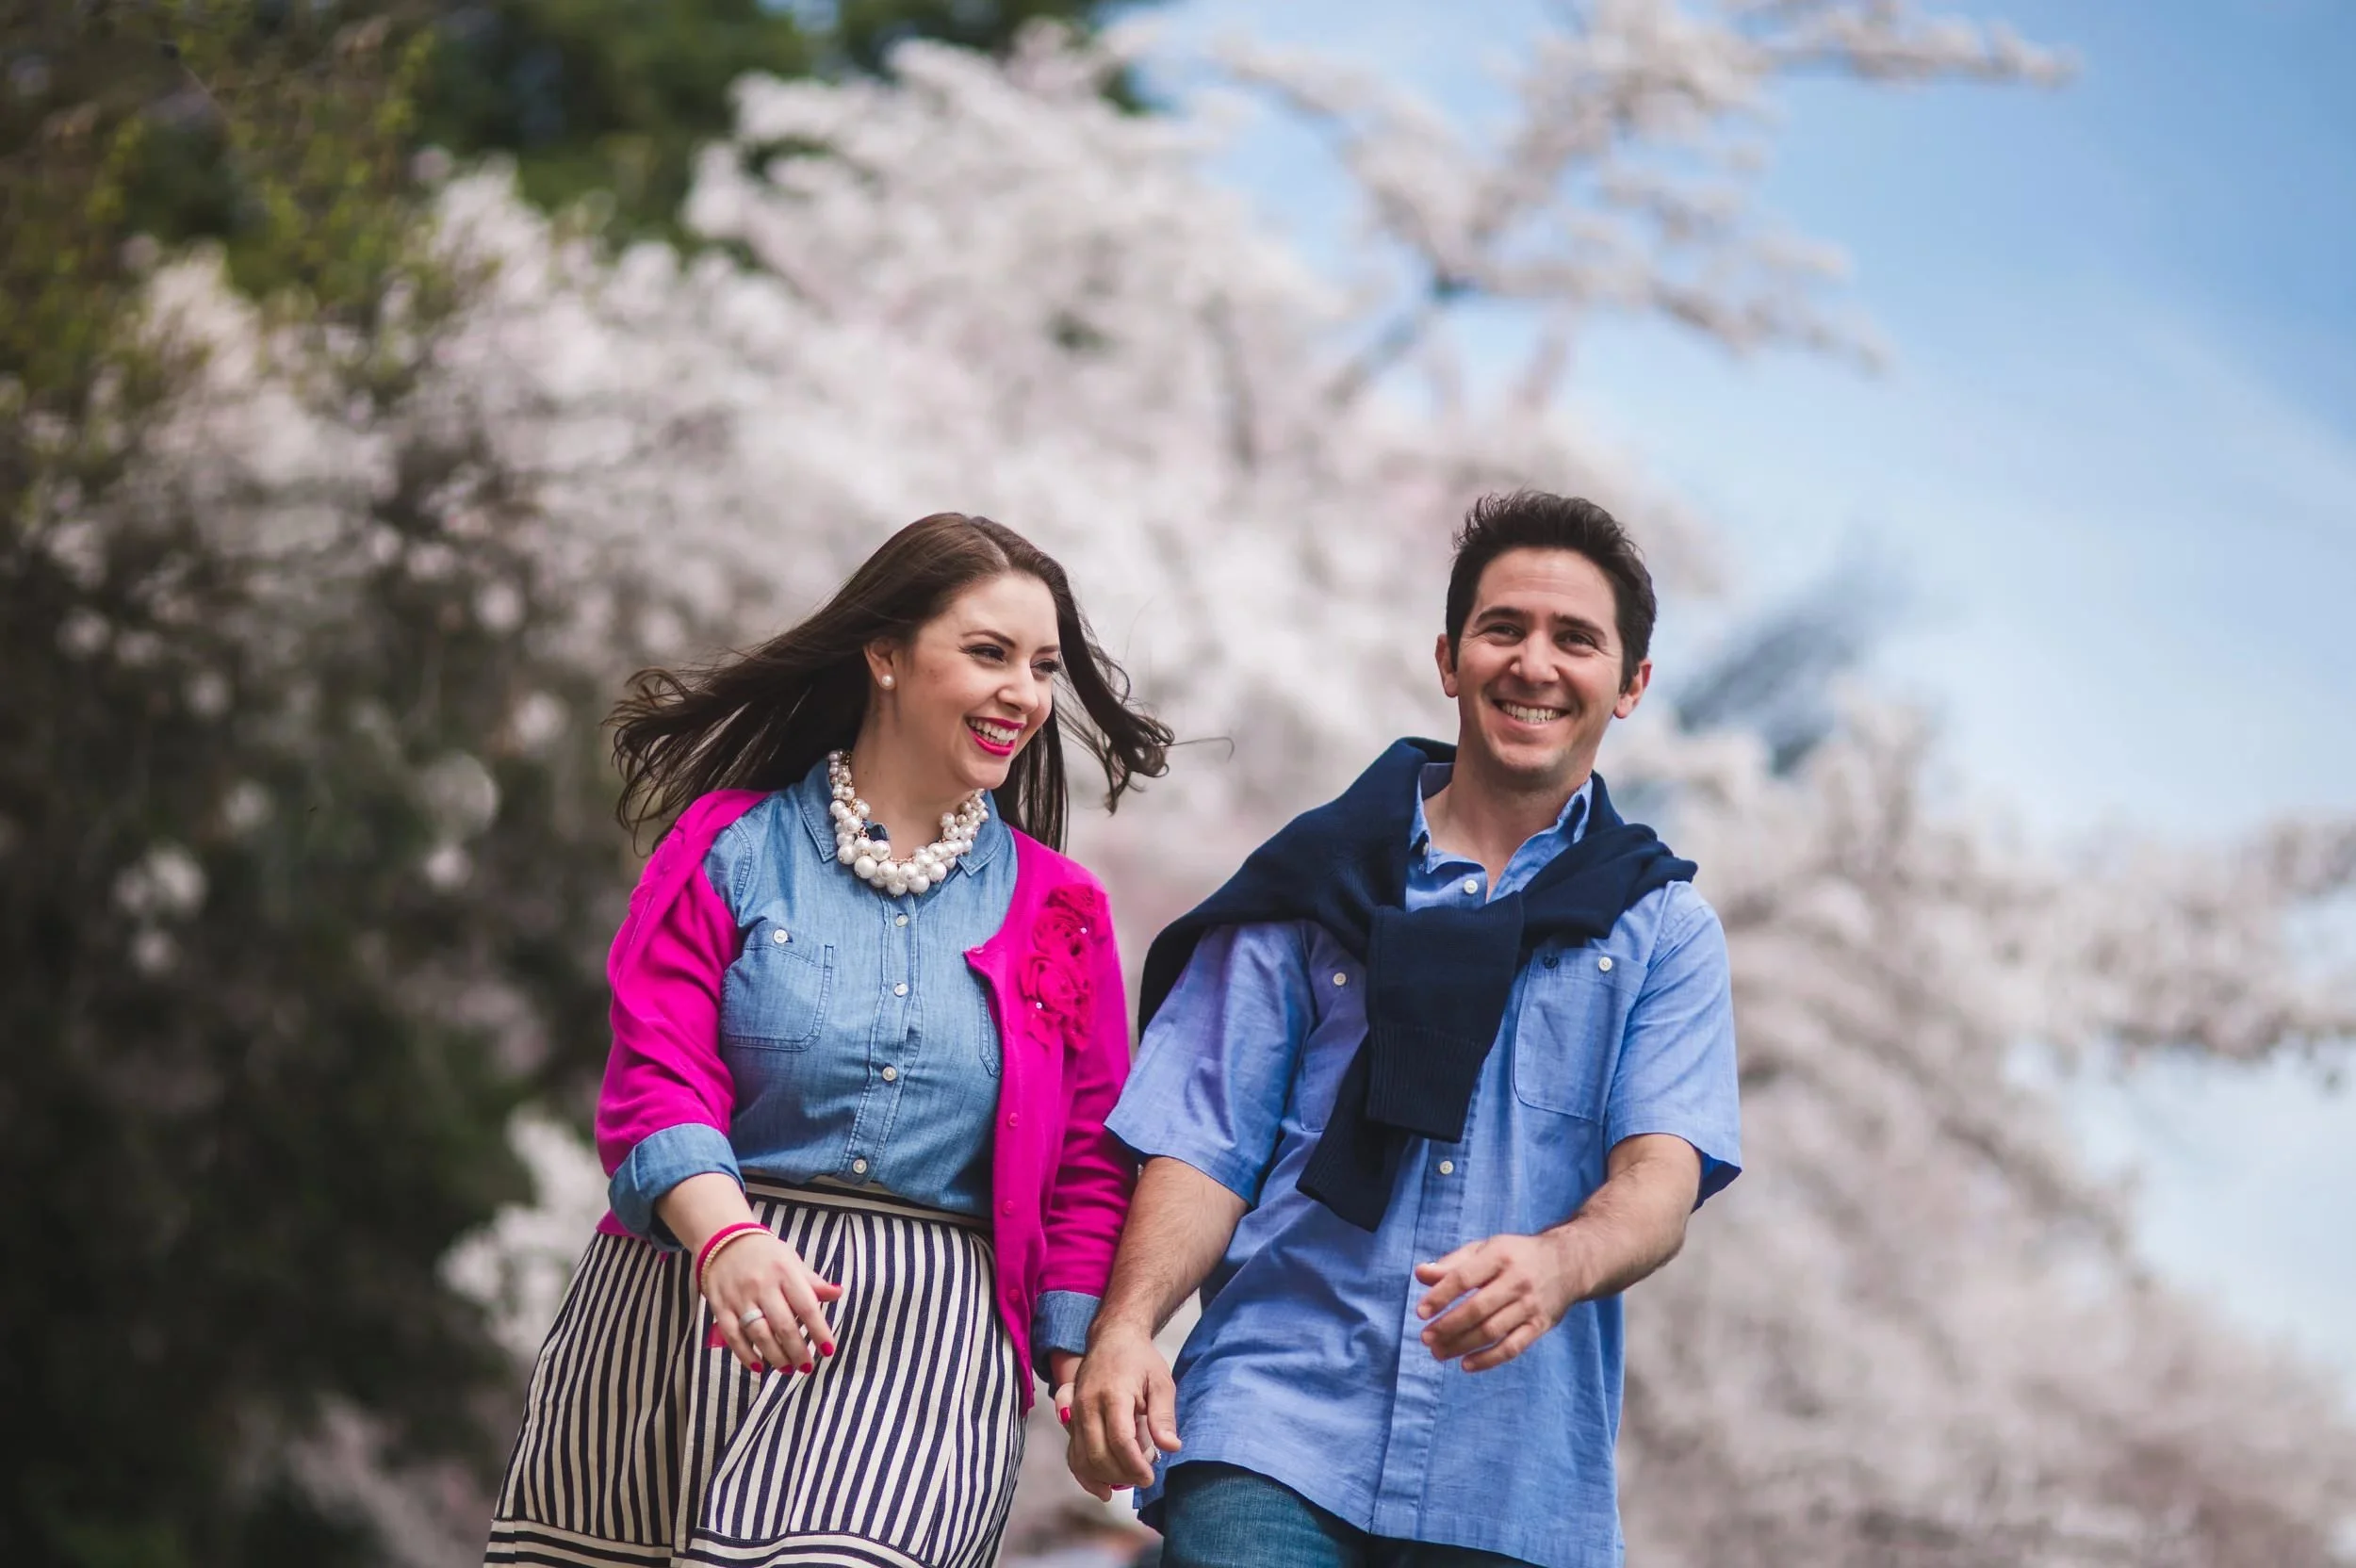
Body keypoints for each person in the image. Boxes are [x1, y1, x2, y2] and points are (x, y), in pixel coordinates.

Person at [1065, 492, 1742, 1568]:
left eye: (1576, 639)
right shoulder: (1311, 882)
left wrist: (1559, 1263)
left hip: (1513, 1476)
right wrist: (1125, 1327)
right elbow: (1204, 1142)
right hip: (1271, 1426)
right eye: (1503, 628)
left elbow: (1660, 1181)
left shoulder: (1661, 930)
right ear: (1448, 658)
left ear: (1631, 685)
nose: (1533, 663)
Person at [484, 513, 1170, 1568]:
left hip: (926, 1349)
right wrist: (727, 1237)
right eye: (989, 653)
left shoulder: (1059, 909)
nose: (1025, 694)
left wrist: (1080, 1358)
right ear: (884, 655)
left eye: (1041, 667)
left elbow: (1086, 1160)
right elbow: (657, 1074)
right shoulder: (727, 846)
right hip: (683, 1306)